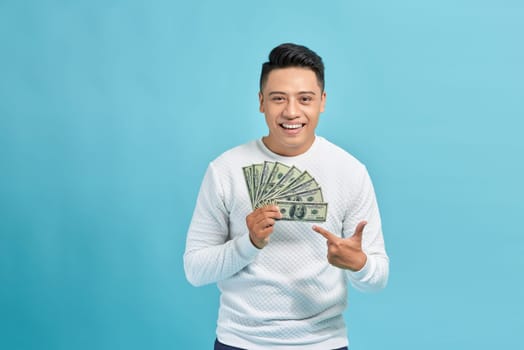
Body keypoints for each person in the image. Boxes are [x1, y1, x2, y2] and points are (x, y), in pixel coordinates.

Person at [184, 43, 389, 350]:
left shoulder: (350, 171)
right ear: (261, 102)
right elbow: (195, 270)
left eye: (304, 99)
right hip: (240, 343)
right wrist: (248, 243)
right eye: (278, 98)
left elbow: (378, 277)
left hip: (324, 343)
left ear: (322, 101)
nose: (291, 112)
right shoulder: (225, 169)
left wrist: (359, 264)